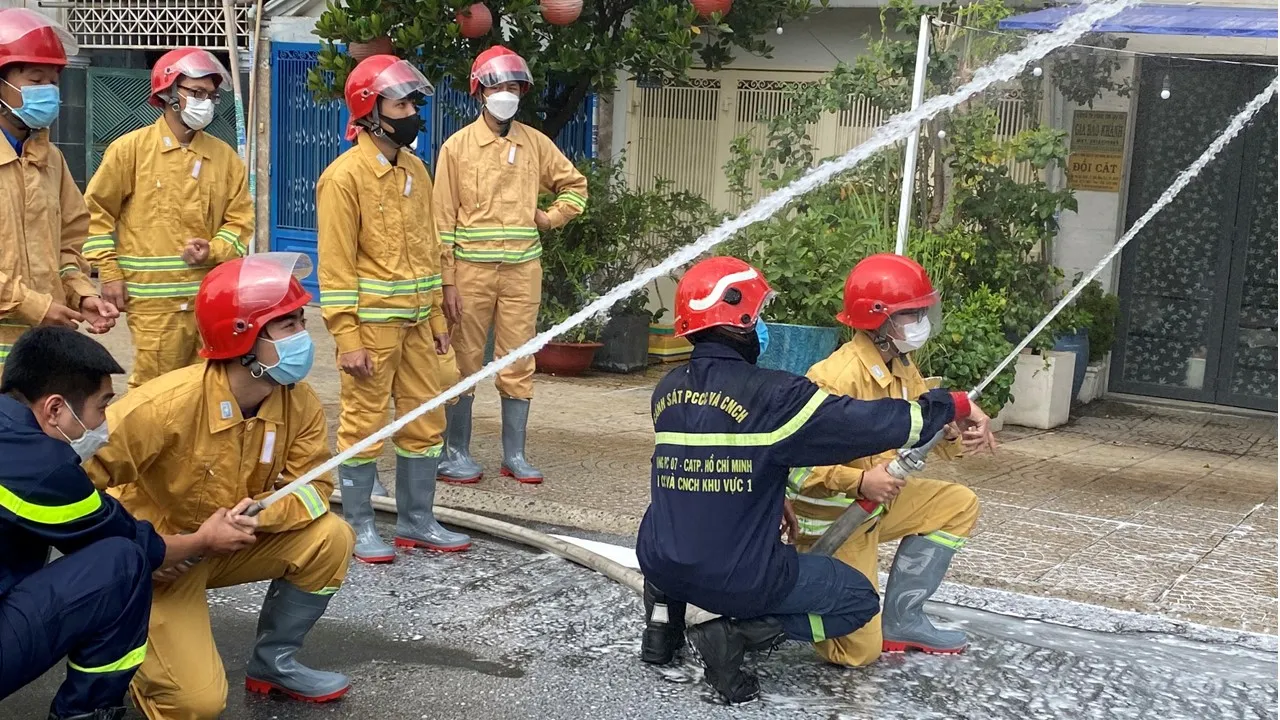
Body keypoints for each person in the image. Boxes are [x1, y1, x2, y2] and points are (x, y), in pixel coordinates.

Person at [634, 256, 995, 704]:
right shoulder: (777, 393)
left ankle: (662, 625)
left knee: (677, 510)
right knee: (859, 609)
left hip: (661, 557)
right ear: (742, 318)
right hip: (785, 548)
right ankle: (737, 633)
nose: (764, 324)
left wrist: (773, 492)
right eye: (759, 315)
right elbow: (867, 425)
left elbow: (720, 460)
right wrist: (954, 403)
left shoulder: (666, 390)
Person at [82, 252, 356, 719]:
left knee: (331, 538)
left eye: (301, 321)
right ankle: (114, 635)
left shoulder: (299, 403)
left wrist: (262, 514)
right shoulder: (164, 406)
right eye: (287, 326)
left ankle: (274, 664)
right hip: (160, 564)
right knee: (197, 704)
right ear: (243, 338)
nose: (304, 338)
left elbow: (315, 487)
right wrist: (142, 554)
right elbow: (76, 486)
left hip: (228, 545)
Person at [0, 326, 253, 720]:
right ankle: (85, 713)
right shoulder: (41, 469)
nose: (104, 424)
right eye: (102, 407)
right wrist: (204, 539)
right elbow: (134, 544)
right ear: (54, 408)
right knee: (122, 564)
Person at [788, 254, 993, 666]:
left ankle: (901, 618)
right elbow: (796, 466)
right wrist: (860, 483)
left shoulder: (900, 364)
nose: (922, 321)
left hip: (876, 505)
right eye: (912, 313)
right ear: (879, 321)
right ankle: (790, 608)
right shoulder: (835, 377)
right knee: (857, 653)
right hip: (836, 520)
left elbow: (920, 421)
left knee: (957, 505)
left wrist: (956, 430)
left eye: (922, 310)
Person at [317, 54, 471, 563]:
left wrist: (434, 318)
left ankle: (417, 520)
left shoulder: (416, 170)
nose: (412, 112)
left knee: (425, 421)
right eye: (401, 103)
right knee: (363, 425)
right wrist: (347, 338)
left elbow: (427, 249)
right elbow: (336, 268)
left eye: (412, 102)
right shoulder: (343, 179)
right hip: (372, 330)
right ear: (369, 110)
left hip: (418, 327)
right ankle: (359, 524)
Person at [432, 45, 589, 485]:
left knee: (518, 361)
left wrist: (551, 216)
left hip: (522, 272)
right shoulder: (457, 148)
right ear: (479, 91)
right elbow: (441, 221)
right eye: (497, 86)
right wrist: (447, 282)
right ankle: (455, 451)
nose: (506, 94)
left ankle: (514, 455)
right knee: (463, 362)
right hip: (469, 274)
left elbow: (575, 187)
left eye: (514, 87)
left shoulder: (535, 144)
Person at [83, 47, 253, 389]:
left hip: (211, 303)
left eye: (211, 95)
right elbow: (94, 213)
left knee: (209, 387)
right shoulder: (130, 151)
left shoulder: (224, 158)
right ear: (168, 94)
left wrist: (215, 249)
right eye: (196, 92)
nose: (205, 102)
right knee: (155, 391)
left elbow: (240, 222)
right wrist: (110, 274)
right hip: (154, 305)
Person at [0, 9, 117, 375]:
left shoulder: (51, 160)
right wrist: (34, 305)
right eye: (35, 80)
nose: (47, 92)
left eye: (52, 82)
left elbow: (68, 245)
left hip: (39, 357)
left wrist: (81, 293)